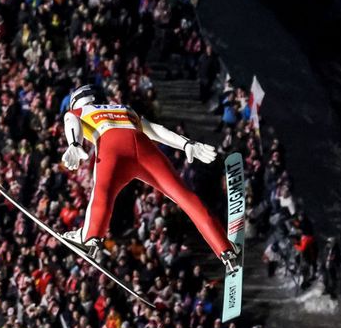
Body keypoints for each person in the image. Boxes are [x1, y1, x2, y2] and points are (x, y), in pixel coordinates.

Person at [58, 85, 238, 269]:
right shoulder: (123, 108)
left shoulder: (80, 110)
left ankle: (90, 237)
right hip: (143, 147)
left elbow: (70, 119)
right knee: (185, 197)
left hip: (112, 147)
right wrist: (186, 144)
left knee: (102, 194)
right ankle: (224, 248)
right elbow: (155, 130)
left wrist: (73, 143)